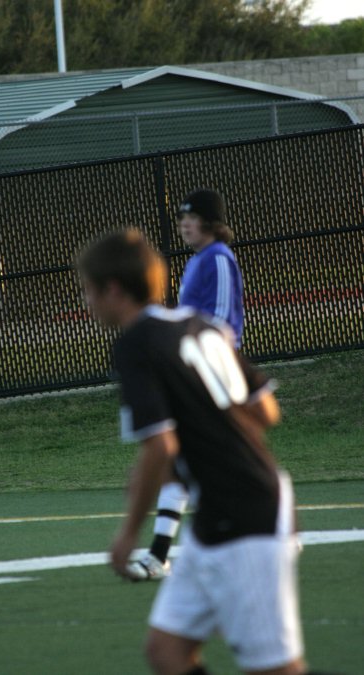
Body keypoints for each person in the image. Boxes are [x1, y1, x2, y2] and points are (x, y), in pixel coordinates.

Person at [78, 230, 335, 675]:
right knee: (166, 651)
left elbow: (159, 446)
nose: (86, 303)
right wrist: (211, 438)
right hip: (222, 514)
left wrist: (126, 536)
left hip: (244, 515)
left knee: (276, 668)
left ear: (113, 289)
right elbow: (266, 410)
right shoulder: (200, 325)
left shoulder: (135, 343)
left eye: (87, 291)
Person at [128, 188, 244, 581]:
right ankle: (159, 555)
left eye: (190, 217)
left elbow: (225, 321)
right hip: (193, 373)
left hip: (213, 375)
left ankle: (160, 554)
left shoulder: (219, 259)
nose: (184, 225)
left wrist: (208, 367)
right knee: (190, 463)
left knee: (201, 462)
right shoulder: (198, 261)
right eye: (181, 219)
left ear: (210, 221)